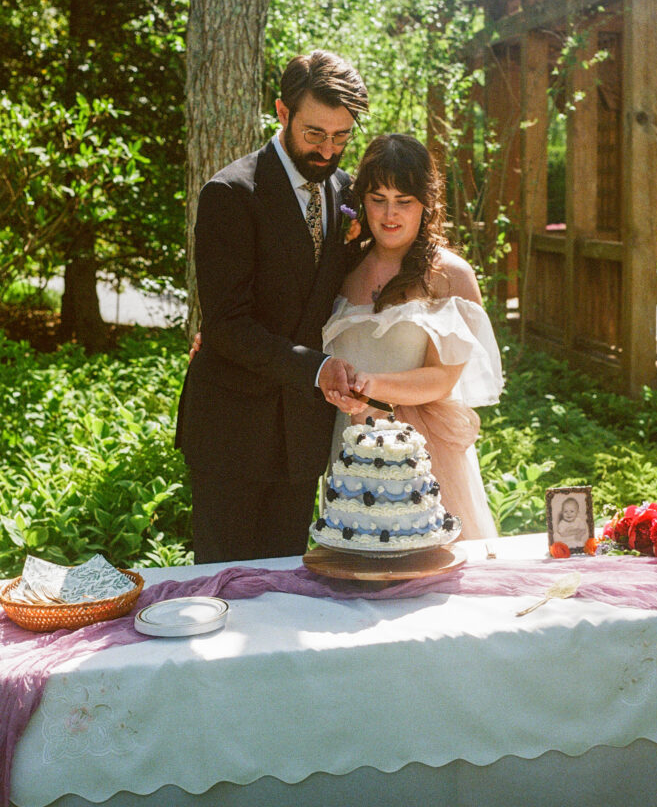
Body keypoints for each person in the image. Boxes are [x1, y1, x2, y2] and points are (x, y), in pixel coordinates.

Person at [175, 50, 369, 563]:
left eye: (342, 136)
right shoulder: (231, 193)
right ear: (282, 113)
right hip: (231, 431)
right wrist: (319, 367)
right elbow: (228, 326)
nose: (329, 150)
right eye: (315, 134)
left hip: (302, 435)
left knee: (285, 590)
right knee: (226, 591)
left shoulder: (348, 192)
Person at [322, 133, 503, 540]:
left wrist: (370, 386)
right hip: (349, 452)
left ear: (427, 203)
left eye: (404, 201)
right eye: (378, 198)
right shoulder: (340, 267)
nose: (390, 214)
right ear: (361, 199)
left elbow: (443, 378)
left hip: (424, 455)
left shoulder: (449, 276)